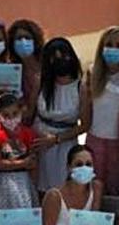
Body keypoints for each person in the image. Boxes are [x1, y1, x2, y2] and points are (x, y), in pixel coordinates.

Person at [33, 38, 88, 192]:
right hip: (40, 141)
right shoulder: (41, 82)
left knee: (64, 188)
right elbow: (30, 112)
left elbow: (85, 124)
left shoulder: (80, 87)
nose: (60, 61)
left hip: (66, 143)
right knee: (40, 189)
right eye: (54, 57)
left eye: (63, 56)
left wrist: (56, 139)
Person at [84, 26, 119, 195]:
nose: (114, 49)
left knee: (115, 190)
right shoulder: (92, 73)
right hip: (94, 139)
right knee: (92, 188)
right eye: (109, 44)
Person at [0, 94, 40, 211]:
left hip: (24, 181)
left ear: (21, 111)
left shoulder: (28, 133)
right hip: (2, 180)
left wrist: (33, 184)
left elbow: (34, 162)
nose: (11, 119)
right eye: (6, 115)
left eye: (15, 114)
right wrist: (23, 163)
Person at [7, 19, 46, 123]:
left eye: (27, 37)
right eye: (18, 38)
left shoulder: (47, 65)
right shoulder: (12, 71)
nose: (23, 41)